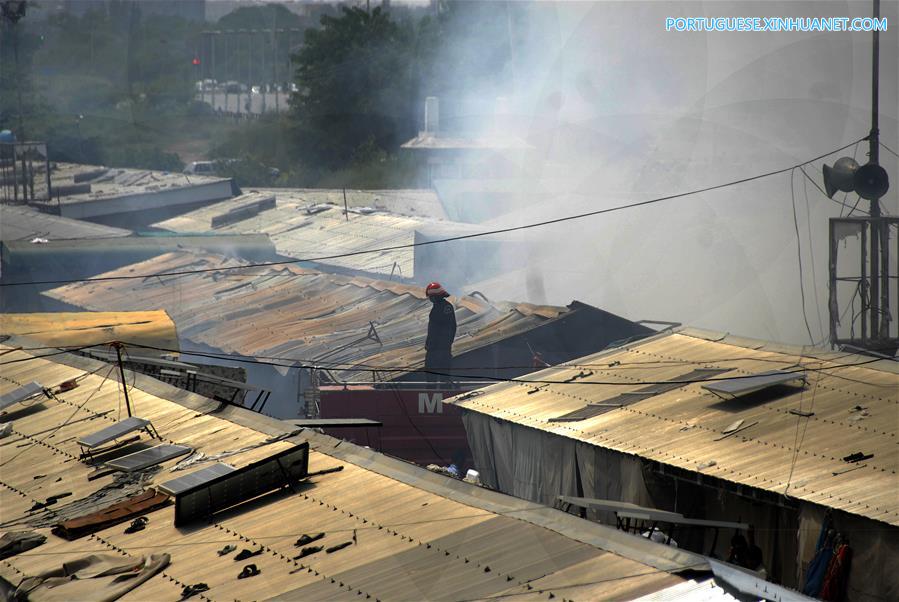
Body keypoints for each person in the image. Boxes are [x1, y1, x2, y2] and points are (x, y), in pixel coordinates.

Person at [424, 282, 456, 385]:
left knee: (443, 379)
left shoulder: (445, 307)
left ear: (435, 297)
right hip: (435, 349)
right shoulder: (438, 307)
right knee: (431, 378)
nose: (430, 299)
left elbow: (449, 329)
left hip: (440, 350)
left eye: (431, 297)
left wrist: (442, 346)